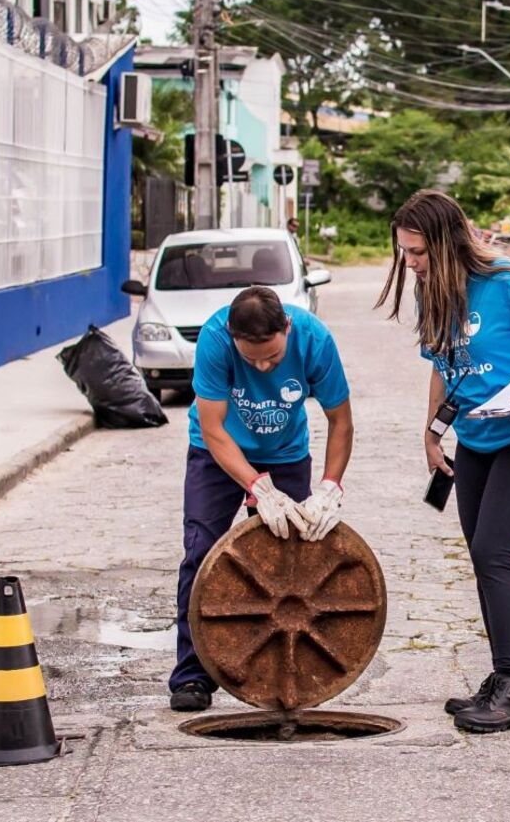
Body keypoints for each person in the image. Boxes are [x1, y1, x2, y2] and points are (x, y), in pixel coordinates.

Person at [376, 189, 510, 733]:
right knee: (481, 558)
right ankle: (499, 679)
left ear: (445, 242)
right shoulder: (433, 291)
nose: (410, 263)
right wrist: (431, 432)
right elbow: (444, 368)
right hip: (475, 442)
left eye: (418, 252)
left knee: (495, 553)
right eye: (405, 252)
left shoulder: (508, 282)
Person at [169, 285, 354, 712]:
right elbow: (214, 428)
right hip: (216, 454)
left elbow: (340, 420)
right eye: (251, 359)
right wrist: (256, 487)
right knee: (200, 554)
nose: (264, 365)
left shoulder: (315, 339)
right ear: (233, 338)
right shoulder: (215, 340)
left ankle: (284, 676)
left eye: (271, 356)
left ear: (286, 327)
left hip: (286, 453)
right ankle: (192, 675)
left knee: (290, 565)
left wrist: (330, 487)